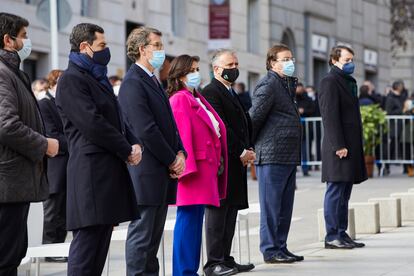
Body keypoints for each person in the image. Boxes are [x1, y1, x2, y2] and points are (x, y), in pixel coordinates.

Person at [56, 23, 141, 275]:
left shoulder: (96, 77)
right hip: (90, 175)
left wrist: (133, 141)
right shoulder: (71, 79)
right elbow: (92, 123)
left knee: (100, 246)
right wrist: (126, 149)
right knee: (86, 248)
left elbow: (118, 116)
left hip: (105, 172)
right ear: (84, 46)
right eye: (101, 45)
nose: (106, 51)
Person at [118, 27, 186, 276]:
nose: (161, 51)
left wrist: (181, 153)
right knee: (142, 237)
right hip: (147, 172)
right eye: (156, 45)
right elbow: (146, 129)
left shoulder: (152, 80)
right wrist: (171, 159)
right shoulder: (133, 82)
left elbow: (169, 123)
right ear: (142, 50)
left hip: (161, 171)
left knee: (153, 240)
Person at [0, 12, 59, 275]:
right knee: (6, 258)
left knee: (13, 254)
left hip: (14, 184)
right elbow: (6, 125)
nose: (28, 42)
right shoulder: (3, 74)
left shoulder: (13, 73)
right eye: (24, 36)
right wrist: (44, 144)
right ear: (8, 40)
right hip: (7, 183)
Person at [168, 54, 228, 276]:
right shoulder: (180, 99)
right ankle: (184, 272)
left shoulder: (197, 97)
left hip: (206, 169)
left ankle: (188, 271)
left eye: (196, 69)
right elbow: (182, 136)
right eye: (191, 70)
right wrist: (187, 169)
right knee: (188, 222)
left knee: (194, 222)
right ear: (180, 75)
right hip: (194, 170)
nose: (196, 74)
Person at [201, 49, 255, 276]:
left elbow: (242, 123)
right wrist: (241, 150)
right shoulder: (211, 92)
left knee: (231, 211)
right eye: (229, 64)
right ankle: (213, 262)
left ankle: (226, 257)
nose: (234, 68)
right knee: (219, 212)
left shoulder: (230, 92)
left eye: (236, 64)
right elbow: (223, 127)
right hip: (224, 161)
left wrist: (249, 148)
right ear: (216, 69)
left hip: (237, 160)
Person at [250, 44, 303, 264]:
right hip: (272, 154)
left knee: (284, 206)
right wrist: (249, 146)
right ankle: (271, 249)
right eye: (285, 59)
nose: (290, 62)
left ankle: (281, 245)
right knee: (272, 206)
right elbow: (254, 118)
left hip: (287, 154)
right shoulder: (269, 84)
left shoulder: (286, 84)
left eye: (291, 58)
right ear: (273, 62)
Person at [318, 45, 367, 249]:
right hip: (338, 146)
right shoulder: (330, 81)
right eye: (346, 60)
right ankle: (332, 235)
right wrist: (338, 144)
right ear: (334, 60)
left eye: (351, 60)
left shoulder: (348, 81)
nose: (350, 64)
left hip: (350, 144)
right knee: (336, 189)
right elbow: (329, 115)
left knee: (345, 191)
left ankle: (341, 231)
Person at [38, 69, 69, 262]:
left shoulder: (64, 104)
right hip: (54, 166)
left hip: (67, 164)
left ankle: (59, 247)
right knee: (52, 210)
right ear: (53, 83)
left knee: (64, 210)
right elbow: (51, 135)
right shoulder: (45, 104)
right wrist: (73, 141)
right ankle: (50, 249)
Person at [296, 82, 316, 176]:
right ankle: (295, 168)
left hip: (306, 129)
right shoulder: (292, 97)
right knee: (295, 149)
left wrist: (303, 111)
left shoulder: (307, 98)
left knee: (305, 149)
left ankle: (305, 169)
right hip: (295, 129)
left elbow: (313, 109)